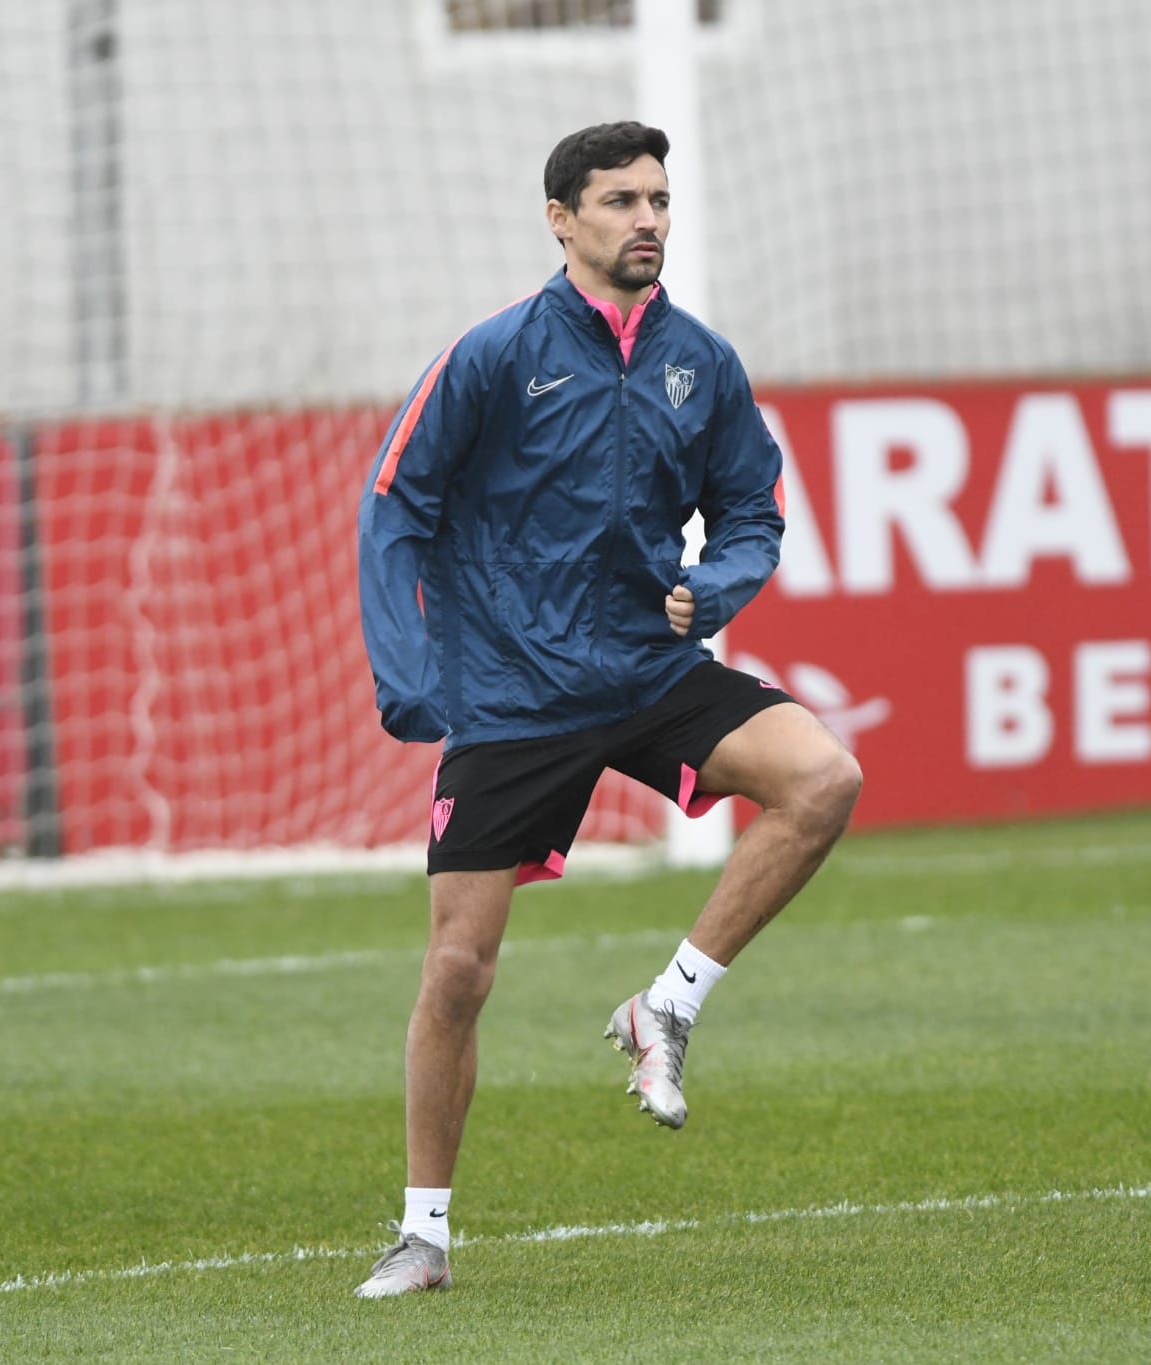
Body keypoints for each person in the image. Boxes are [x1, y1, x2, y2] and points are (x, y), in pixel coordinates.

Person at [351, 121, 862, 1299]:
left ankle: (666, 1007)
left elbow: (752, 511)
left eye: (658, 199)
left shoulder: (701, 363)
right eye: (621, 200)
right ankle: (423, 1236)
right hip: (513, 693)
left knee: (822, 779)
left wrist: (715, 588)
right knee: (458, 971)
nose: (646, 219)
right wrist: (407, 668)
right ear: (560, 219)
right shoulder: (493, 354)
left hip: (645, 669)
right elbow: (394, 505)